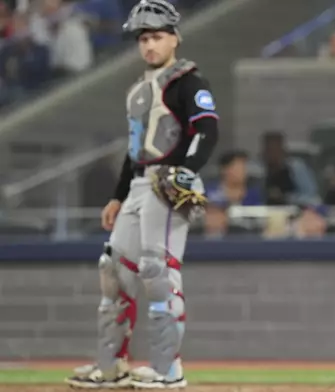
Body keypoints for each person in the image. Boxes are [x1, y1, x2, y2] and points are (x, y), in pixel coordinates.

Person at [64, 0, 219, 389]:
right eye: (144, 38)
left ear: (174, 38)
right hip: (138, 185)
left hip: (167, 182)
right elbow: (136, 150)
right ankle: (112, 365)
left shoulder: (189, 82)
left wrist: (185, 170)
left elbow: (206, 131)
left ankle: (169, 370)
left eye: (157, 36)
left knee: (157, 270)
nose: (149, 44)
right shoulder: (138, 89)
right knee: (113, 269)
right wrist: (117, 196)